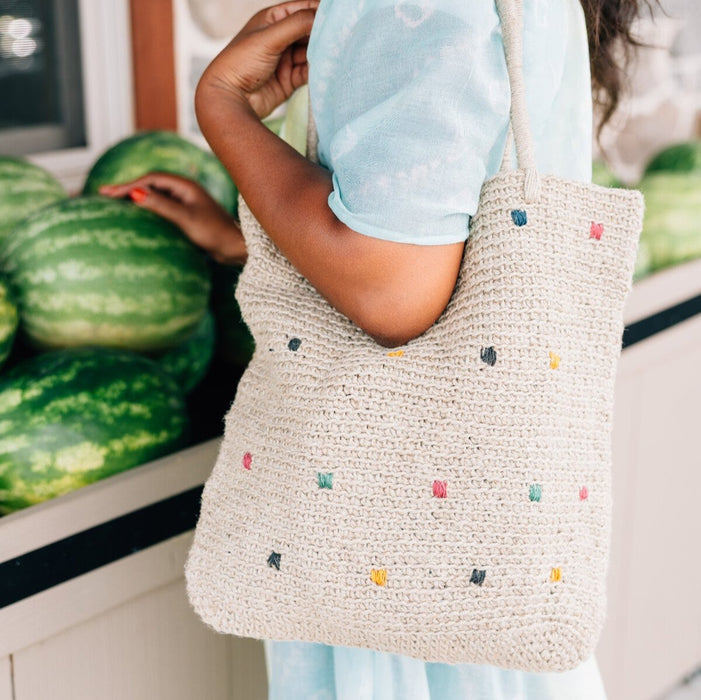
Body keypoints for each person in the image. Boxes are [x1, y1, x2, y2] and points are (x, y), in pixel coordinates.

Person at [100, 0, 653, 696]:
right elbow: (444, 250)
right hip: (473, 535)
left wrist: (224, 110)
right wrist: (249, 242)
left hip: (399, 571)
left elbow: (392, 294)